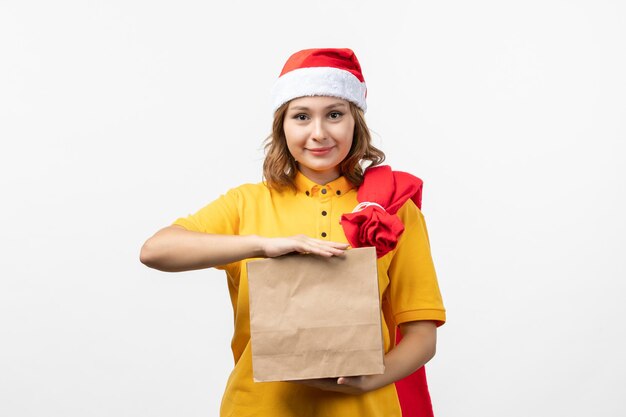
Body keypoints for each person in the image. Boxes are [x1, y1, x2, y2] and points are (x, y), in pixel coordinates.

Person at [140, 48, 446, 417]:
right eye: (301, 116)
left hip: (365, 408)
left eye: (335, 114)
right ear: (282, 126)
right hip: (259, 407)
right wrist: (264, 246)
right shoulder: (247, 204)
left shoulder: (393, 208)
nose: (319, 133)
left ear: (355, 122)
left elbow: (421, 334)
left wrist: (370, 381)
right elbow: (155, 251)